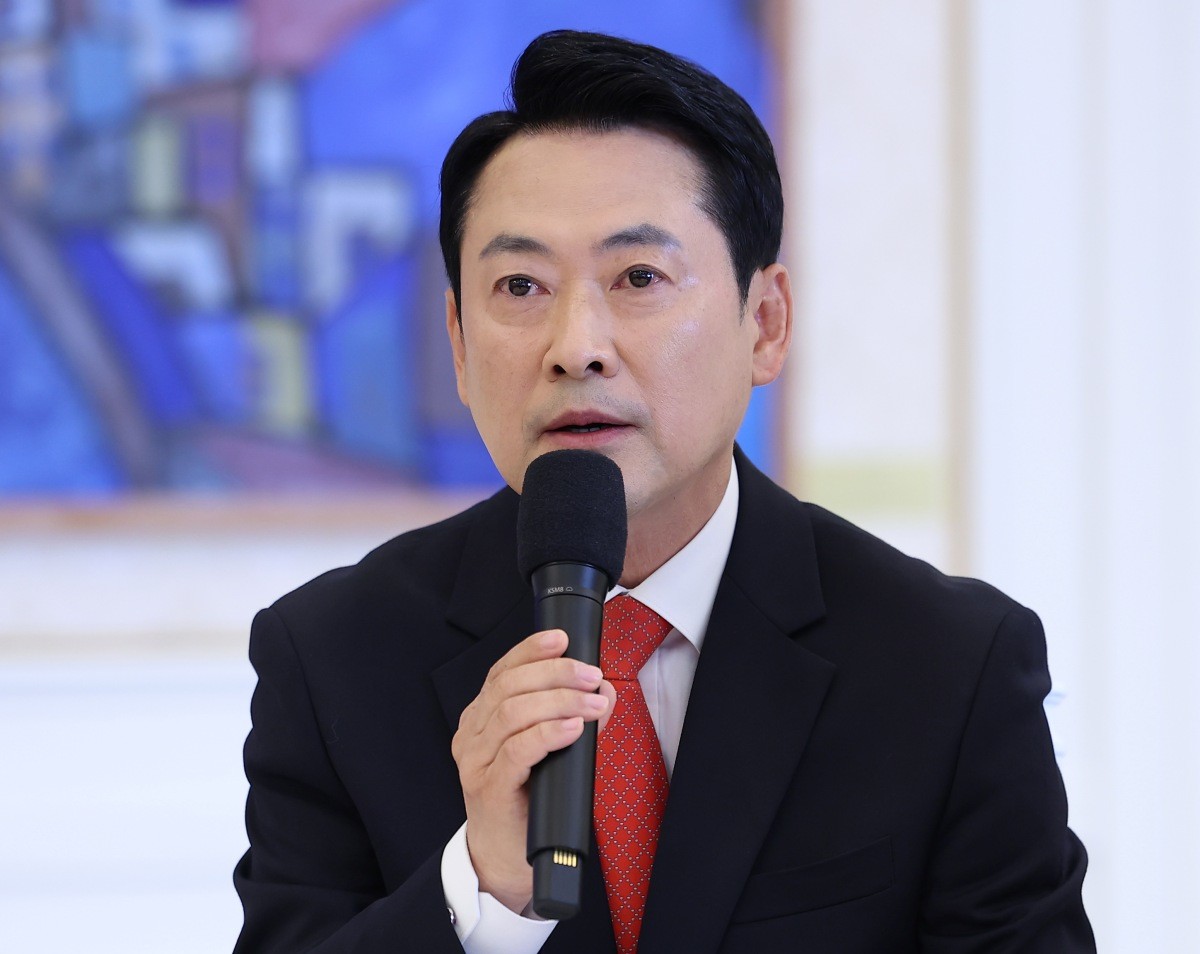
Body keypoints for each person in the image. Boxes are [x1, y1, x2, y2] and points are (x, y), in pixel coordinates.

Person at [233, 29, 1095, 953]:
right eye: (520, 285)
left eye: (639, 277)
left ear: (765, 322)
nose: (577, 346)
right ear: (456, 340)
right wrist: (480, 892)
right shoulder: (332, 659)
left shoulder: (948, 665)